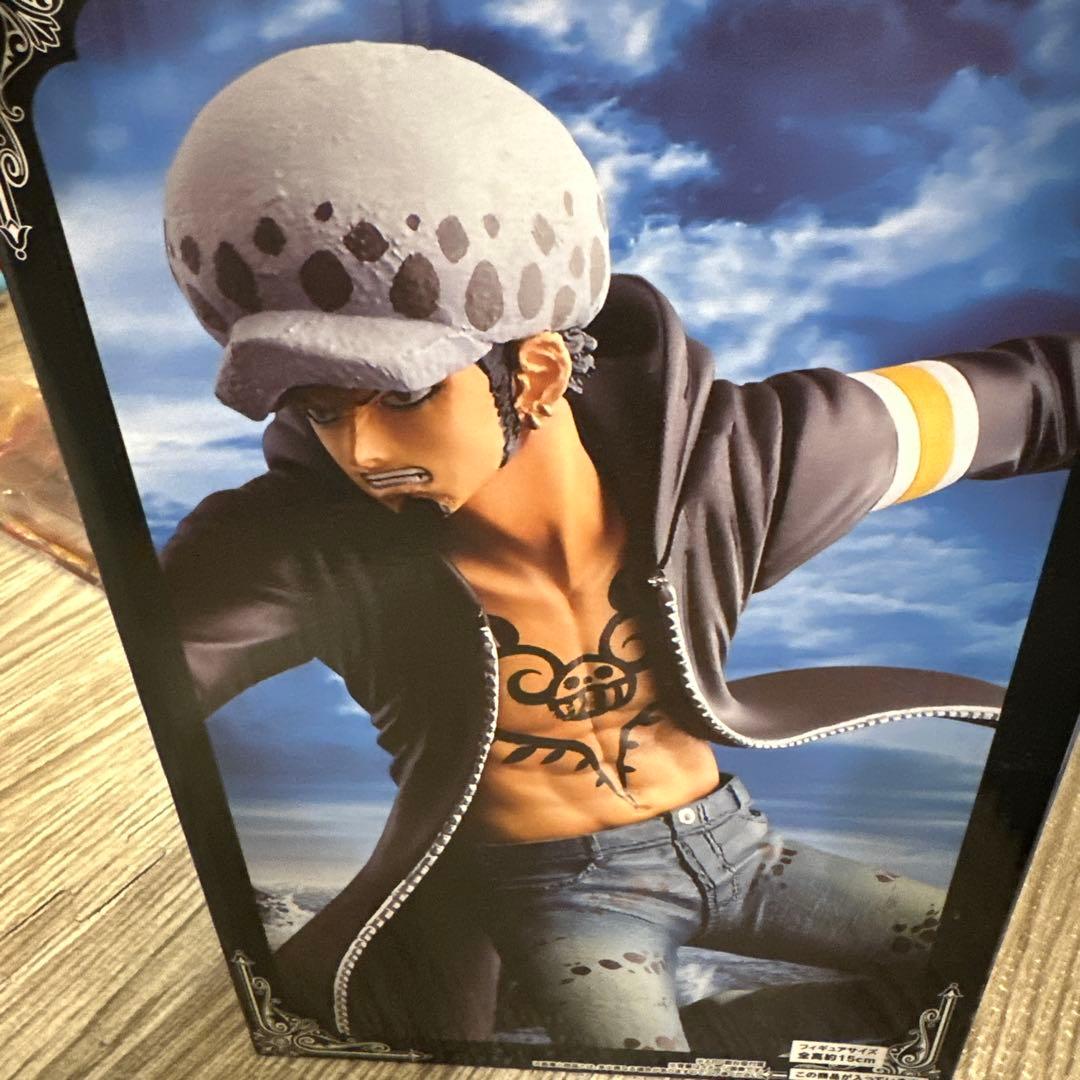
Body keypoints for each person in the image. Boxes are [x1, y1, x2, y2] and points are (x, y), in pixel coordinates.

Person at [160, 41, 1077, 1053]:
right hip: (558, 896)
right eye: (322, 411)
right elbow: (147, 674)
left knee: (999, 971)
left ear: (537, 371)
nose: (363, 452)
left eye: (404, 395)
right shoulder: (297, 548)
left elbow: (1036, 399)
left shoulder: (741, 463)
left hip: (743, 849)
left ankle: (724, 1039)